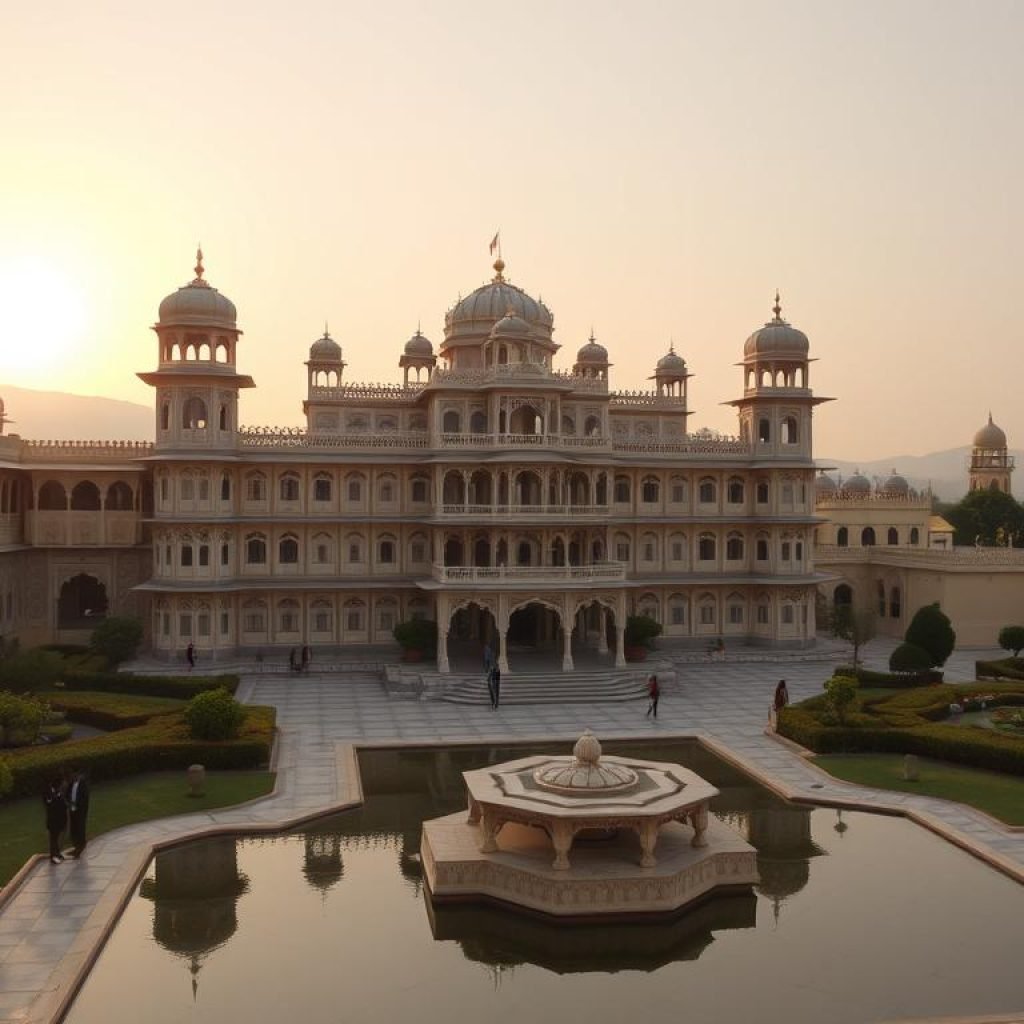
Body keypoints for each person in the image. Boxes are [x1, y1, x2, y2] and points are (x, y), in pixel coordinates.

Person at [43, 776, 67, 865]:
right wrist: (56, 797)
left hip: (58, 819)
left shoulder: (57, 792)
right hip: (52, 820)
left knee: (56, 838)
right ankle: (53, 856)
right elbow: (49, 804)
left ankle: (57, 853)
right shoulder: (47, 793)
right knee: (53, 838)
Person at [67, 768, 90, 858]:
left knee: (80, 827)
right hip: (72, 809)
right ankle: (76, 846)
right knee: (74, 828)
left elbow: (85, 798)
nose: (72, 777)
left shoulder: (82, 784)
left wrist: (77, 804)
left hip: (80, 810)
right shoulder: (71, 784)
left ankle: (80, 847)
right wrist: (70, 802)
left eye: (74, 775)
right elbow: (68, 794)